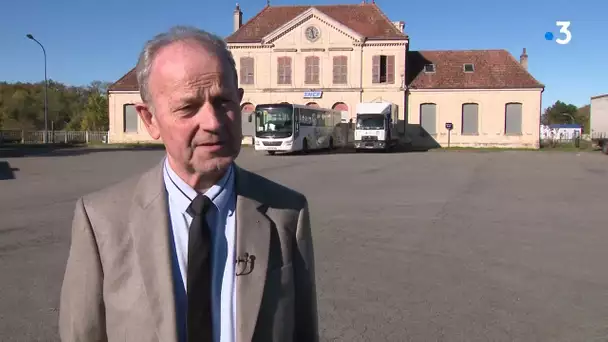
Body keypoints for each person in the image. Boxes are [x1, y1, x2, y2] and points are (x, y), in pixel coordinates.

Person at [58, 26, 319, 342]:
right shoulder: (100, 220)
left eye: (223, 102)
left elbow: (303, 331)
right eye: (188, 107)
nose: (212, 122)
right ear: (150, 120)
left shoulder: (287, 213)